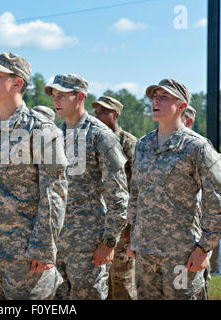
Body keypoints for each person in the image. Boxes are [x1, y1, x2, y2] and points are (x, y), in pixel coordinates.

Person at [0, 52, 68, 300]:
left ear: (18, 82)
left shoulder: (41, 130)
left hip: (24, 254)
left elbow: (54, 193)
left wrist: (44, 247)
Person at [126, 78, 221, 300]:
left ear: (182, 106)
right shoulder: (143, 145)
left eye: (164, 97)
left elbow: (220, 206)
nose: (156, 101)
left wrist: (203, 249)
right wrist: (134, 237)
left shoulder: (197, 148)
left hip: (182, 258)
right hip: (146, 256)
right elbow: (135, 194)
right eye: (154, 96)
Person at [45, 74, 129, 300]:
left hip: (88, 247)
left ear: (80, 97)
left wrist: (109, 242)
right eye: (54, 95)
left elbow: (119, 195)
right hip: (56, 246)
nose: (56, 101)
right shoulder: (54, 136)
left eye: (62, 95)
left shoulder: (100, 136)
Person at [92, 96, 137, 300]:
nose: (97, 115)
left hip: (122, 223)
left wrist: (132, 227)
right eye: (96, 111)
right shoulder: (93, 140)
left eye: (102, 112)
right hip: (97, 223)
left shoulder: (128, 143)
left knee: (122, 280)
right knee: (99, 280)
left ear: (115, 115)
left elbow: (138, 187)